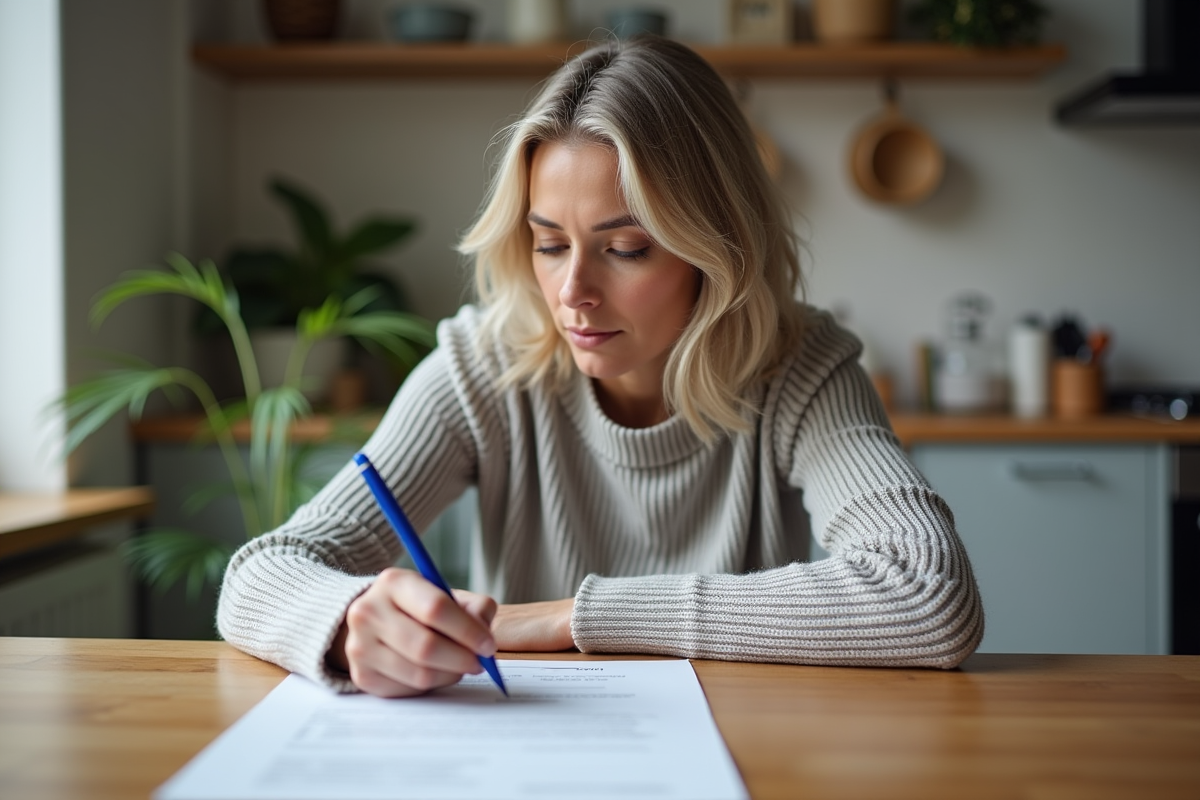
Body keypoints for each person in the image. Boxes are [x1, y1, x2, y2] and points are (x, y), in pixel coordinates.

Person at [217, 36, 983, 697]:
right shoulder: (484, 367)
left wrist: (567, 619)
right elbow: (263, 572)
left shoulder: (800, 369)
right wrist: (352, 622)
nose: (573, 292)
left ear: (714, 249)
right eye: (550, 243)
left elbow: (925, 593)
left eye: (625, 248)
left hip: (740, 751)